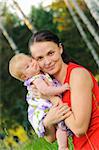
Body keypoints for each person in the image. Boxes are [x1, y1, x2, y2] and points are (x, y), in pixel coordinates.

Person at [28, 30, 99, 150]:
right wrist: (47, 121)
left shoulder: (77, 75)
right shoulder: (49, 85)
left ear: (60, 48)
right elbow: (50, 138)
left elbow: (79, 129)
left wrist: (51, 98)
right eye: (40, 58)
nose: (47, 62)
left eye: (50, 53)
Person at [9, 53, 72, 150]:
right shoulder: (36, 79)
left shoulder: (40, 73)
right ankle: (63, 146)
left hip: (50, 105)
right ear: (25, 77)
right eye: (28, 66)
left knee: (61, 126)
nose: (33, 63)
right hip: (45, 109)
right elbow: (45, 91)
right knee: (60, 126)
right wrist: (62, 88)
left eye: (31, 60)